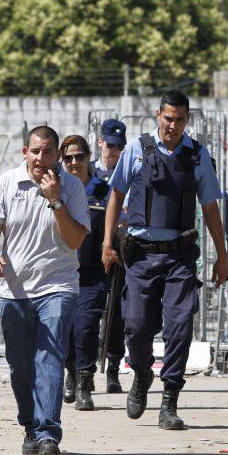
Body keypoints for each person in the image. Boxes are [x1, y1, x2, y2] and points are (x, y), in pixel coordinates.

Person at [102, 89, 228, 431]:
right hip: (141, 257)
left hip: (180, 257)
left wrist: (222, 256)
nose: (172, 125)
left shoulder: (196, 156)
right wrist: (106, 242)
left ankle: (170, 399)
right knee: (137, 325)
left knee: (180, 327)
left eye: (180, 120)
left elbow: (210, 208)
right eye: (168, 118)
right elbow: (115, 195)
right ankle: (141, 374)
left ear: (187, 121)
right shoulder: (137, 150)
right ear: (158, 115)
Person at [0, 125, 89, 455]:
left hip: (58, 286)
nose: (41, 158)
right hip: (15, 289)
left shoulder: (71, 187)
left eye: (48, 152)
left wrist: (55, 199)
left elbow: (75, 241)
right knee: (20, 365)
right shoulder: (8, 182)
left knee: (50, 357)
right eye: (35, 151)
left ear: (58, 155)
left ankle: (47, 434)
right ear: (25, 152)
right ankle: (29, 424)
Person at [59, 135, 110, 411]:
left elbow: (115, 223)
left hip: (92, 272)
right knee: (65, 329)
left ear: (89, 156)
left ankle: (84, 382)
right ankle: (71, 372)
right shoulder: (56, 189)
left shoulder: (103, 191)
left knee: (86, 328)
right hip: (62, 271)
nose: (74, 162)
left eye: (79, 156)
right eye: (68, 158)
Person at [91, 118, 128, 394]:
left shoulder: (127, 175)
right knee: (89, 315)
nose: (112, 151)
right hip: (91, 251)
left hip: (121, 251)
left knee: (117, 315)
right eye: (109, 145)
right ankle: (84, 369)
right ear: (100, 142)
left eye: (118, 147)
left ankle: (113, 369)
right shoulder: (87, 174)